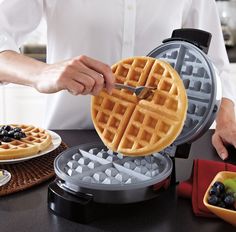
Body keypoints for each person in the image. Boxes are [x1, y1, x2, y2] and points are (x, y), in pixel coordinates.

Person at [0, 0, 235, 160]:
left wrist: (225, 117)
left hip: (158, 147)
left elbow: (214, 63)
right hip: (67, 145)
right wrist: (41, 73)